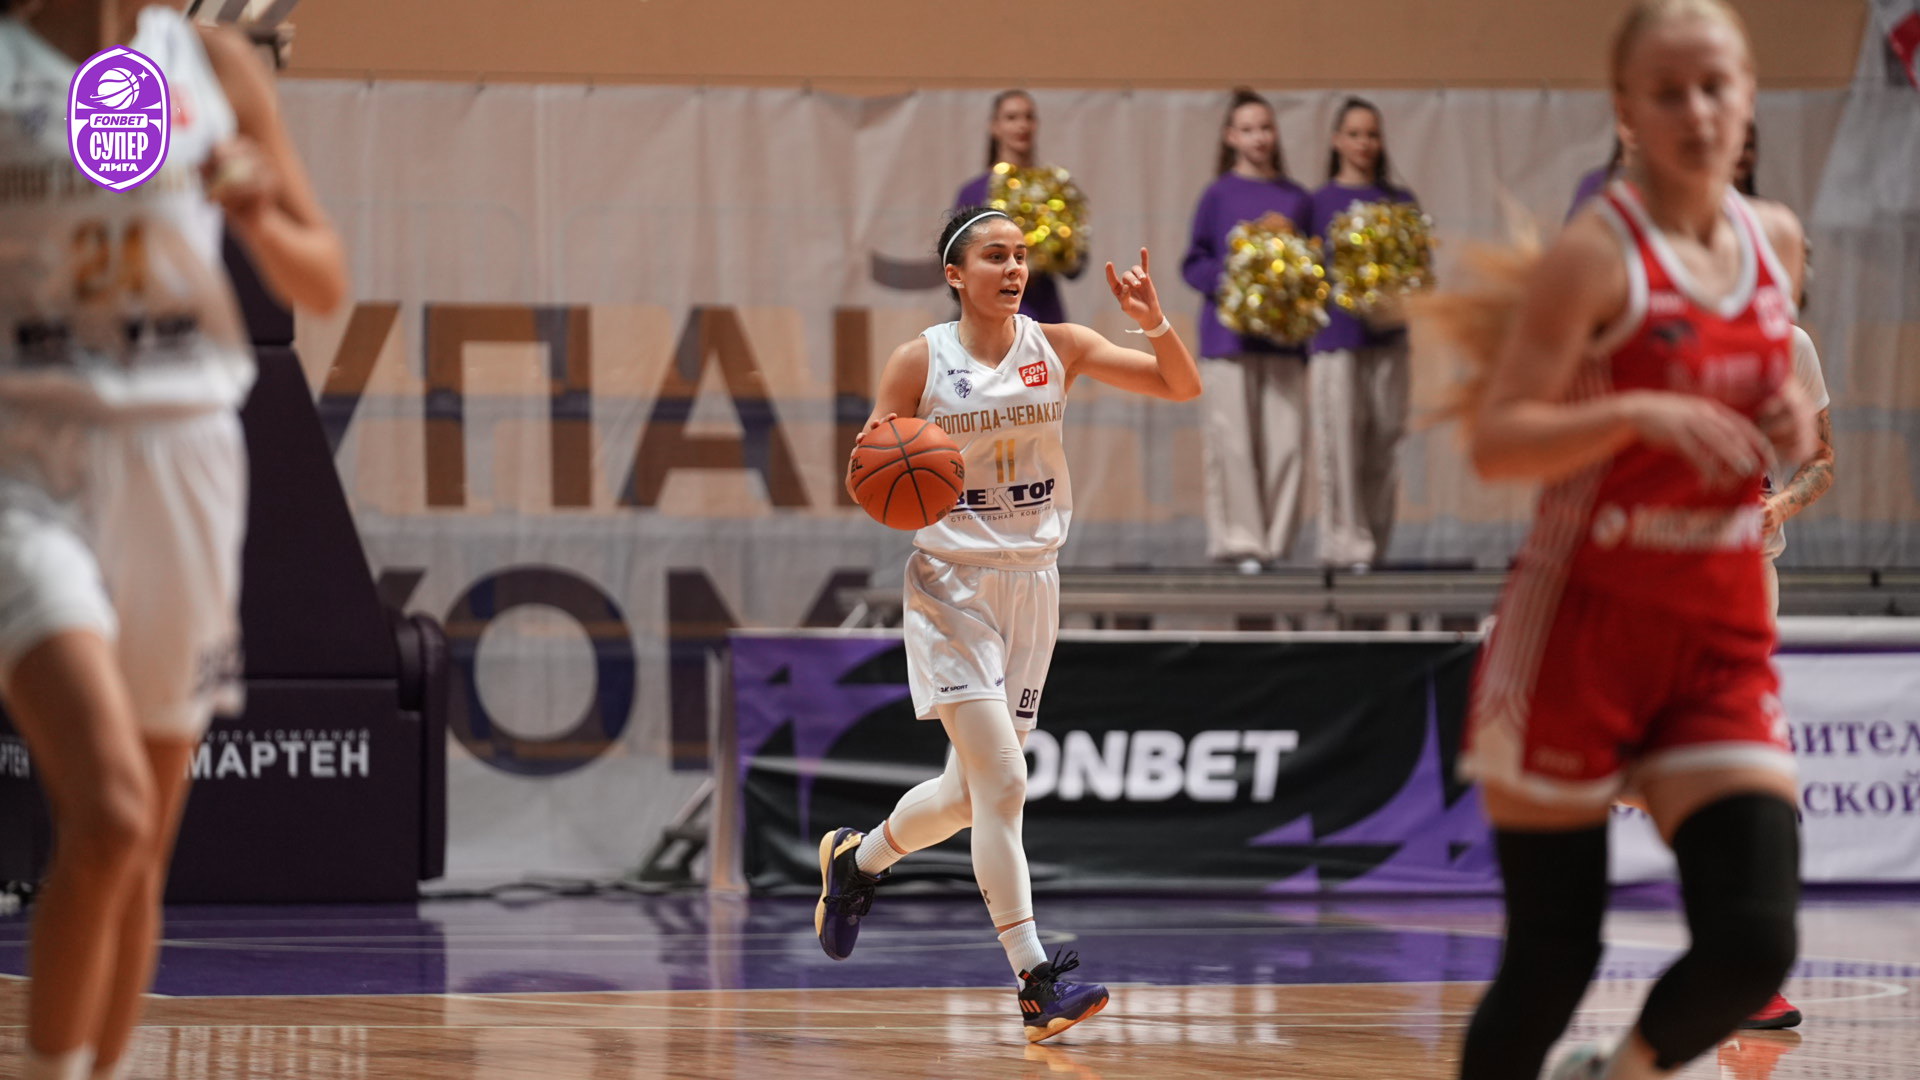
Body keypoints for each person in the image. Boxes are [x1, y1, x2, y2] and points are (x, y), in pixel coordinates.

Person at [1413, 2, 1820, 1078]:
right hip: (1579, 630)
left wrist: (1775, 410)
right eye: (1669, 90)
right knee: (1553, 959)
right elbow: (1498, 441)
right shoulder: (1595, 254)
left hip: (1718, 638)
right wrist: (1633, 414)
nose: (1698, 111)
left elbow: (1751, 380)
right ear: (1626, 109)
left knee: (1754, 943)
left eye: (1717, 85)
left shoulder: (1774, 242)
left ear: (1748, 97)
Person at [0, 3, 347, 1079]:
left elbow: (324, 277)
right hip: (29, 464)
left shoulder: (217, 65)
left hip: (185, 457)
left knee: (140, 850)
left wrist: (258, 218)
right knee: (106, 815)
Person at [816, 207, 1200, 1044]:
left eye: (1022, 255)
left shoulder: (1059, 346)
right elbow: (867, 466)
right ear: (956, 274)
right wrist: (892, 470)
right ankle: (1034, 982)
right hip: (952, 587)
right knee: (1004, 783)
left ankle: (858, 859)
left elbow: (1181, 386)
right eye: (997, 255)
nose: (1015, 267)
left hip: (1033, 585)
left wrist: (1153, 322)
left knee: (967, 795)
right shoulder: (920, 359)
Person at [1180, 88, 1315, 573]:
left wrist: (1289, 289)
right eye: (1248, 128)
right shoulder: (1217, 194)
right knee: (1233, 444)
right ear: (1231, 137)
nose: (1259, 137)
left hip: (1285, 341)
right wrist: (1235, 281)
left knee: (1288, 444)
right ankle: (1244, 544)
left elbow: (1313, 266)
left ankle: (1277, 544)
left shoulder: (1297, 198)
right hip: (1228, 339)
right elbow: (1193, 262)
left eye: (1266, 127)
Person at [1308, 97, 1420, 570]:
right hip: (1337, 341)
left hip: (1389, 341)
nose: (1364, 143)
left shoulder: (1400, 202)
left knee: (1384, 443)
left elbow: (1417, 269)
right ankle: (1345, 545)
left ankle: (1375, 544)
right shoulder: (1317, 203)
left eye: (1372, 135)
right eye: (1354, 134)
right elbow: (1306, 274)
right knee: (1341, 445)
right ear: (1337, 141)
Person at [954, 90, 1083, 324]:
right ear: (995, 126)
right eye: (1012, 117)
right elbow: (958, 265)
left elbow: (1076, 268)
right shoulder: (974, 192)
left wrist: (1055, 249)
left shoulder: (1055, 188)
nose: (1022, 125)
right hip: (992, 317)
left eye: (1028, 117)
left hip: (1044, 314)